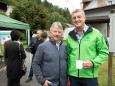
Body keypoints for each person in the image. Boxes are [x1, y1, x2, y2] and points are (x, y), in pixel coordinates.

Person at [66, 9, 109, 86]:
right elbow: (68, 56)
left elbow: (104, 52)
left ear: (84, 18)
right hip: (73, 76)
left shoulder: (96, 33)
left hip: (90, 77)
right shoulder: (69, 36)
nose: (76, 19)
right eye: (74, 18)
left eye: (79, 17)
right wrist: (68, 74)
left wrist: (93, 62)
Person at [32, 22, 68, 86]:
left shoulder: (65, 47)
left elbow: (67, 63)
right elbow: (35, 64)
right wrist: (42, 81)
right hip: (49, 83)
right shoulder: (42, 46)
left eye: (59, 32)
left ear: (62, 33)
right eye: (55, 31)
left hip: (63, 83)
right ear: (50, 32)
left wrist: (68, 78)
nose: (57, 34)